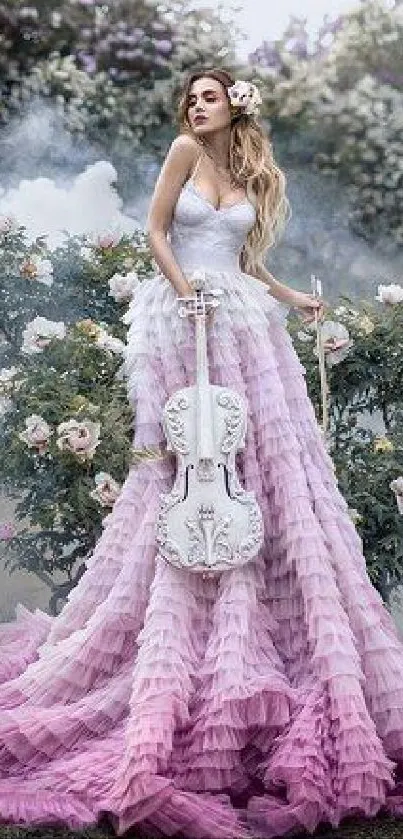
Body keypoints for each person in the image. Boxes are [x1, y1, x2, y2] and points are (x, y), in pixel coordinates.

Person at [0, 65, 403, 839]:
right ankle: (177, 640)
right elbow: (156, 231)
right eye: (192, 95)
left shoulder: (244, 169)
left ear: (236, 108)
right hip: (183, 317)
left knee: (270, 472)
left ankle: (256, 637)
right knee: (192, 459)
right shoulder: (184, 150)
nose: (195, 103)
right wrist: (184, 289)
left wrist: (291, 298)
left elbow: (244, 261)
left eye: (209, 95)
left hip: (245, 320)